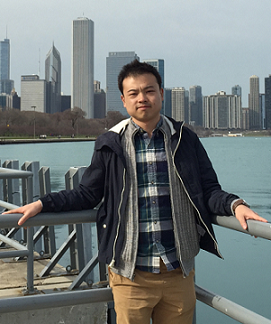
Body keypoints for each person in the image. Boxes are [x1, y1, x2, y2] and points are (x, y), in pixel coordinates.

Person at [4, 60, 267, 324]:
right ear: (124, 100)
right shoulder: (110, 142)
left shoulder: (185, 138)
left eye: (149, 91)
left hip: (178, 271)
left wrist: (235, 205)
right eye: (134, 93)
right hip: (130, 274)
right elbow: (87, 194)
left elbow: (208, 190)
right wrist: (42, 203)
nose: (142, 98)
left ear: (161, 94)